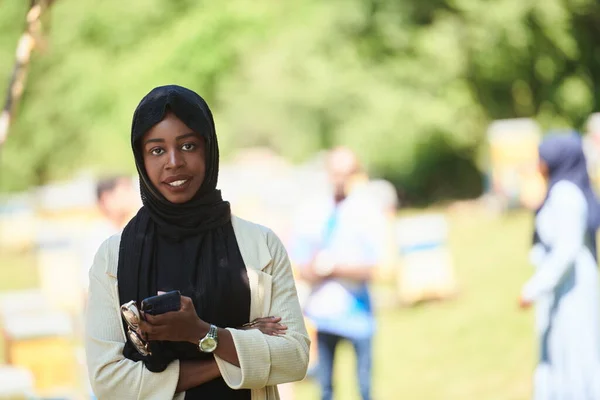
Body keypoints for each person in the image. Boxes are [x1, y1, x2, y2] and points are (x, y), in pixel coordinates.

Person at [85, 85, 309, 399]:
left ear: (209, 148)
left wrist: (203, 333)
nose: (174, 162)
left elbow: (294, 358)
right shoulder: (115, 257)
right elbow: (109, 382)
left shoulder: (261, 246)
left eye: (188, 145)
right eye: (157, 150)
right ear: (141, 158)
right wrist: (230, 354)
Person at [291, 147, 379, 400]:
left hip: (359, 315)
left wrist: (335, 267)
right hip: (323, 315)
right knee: (325, 387)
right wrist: (316, 269)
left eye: (347, 172)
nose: (341, 179)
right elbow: (300, 264)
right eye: (336, 172)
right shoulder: (312, 212)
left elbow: (376, 267)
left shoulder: (366, 211)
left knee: (364, 385)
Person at [519, 133, 600, 400]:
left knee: (575, 352)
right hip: (565, 285)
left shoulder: (565, 193)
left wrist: (533, 288)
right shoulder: (561, 189)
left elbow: (566, 250)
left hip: (571, 287)